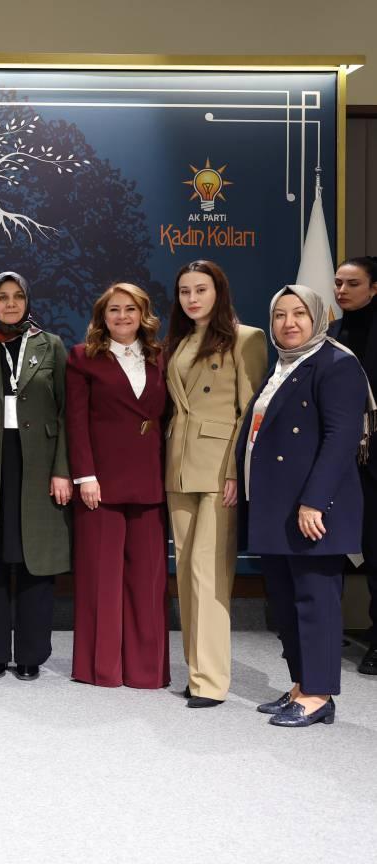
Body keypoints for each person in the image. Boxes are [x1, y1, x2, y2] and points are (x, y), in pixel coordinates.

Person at [237, 285, 373, 727]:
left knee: (315, 602)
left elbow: (341, 439)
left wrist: (314, 502)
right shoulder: (284, 364)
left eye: (299, 313)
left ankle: (319, 693)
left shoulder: (337, 364)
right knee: (285, 602)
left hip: (312, 509)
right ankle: (301, 685)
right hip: (276, 506)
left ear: (319, 318)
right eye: (280, 314)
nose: (288, 322)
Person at [0, 272, 71, 681]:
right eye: (2, 297)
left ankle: (31, 655)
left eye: (17, 296)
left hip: (39, 469)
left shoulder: (51, 345)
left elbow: (66, 413)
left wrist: (62, 470)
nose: (9, 304)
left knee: (36, 562)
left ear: (27, 301)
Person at [163, 260, 267, 707]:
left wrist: (234, 473)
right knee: (187, 572)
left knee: (210, 575)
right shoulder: (179, 340)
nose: (192, 298)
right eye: (184, 291)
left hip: (219, 467)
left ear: (218, 292)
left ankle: (210, 681)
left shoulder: (247, 338)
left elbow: (252, 413)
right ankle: (197, 671)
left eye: (200, 289)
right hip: (178, 465)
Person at [66, 283, 170, 689]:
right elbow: (75, 420)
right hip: (100, 483)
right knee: (100, 580)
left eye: (130, 309)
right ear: (102, 316)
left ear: (143, 314)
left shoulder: (161, 356)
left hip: (150, 480)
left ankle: (146, 670)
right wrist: (85, 476)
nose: (122, 316)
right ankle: (100, 668)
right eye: (114, 310)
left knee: (148, 580)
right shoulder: (83, 357)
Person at [332, 255, 377, 676]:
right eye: (338, 283)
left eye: (352, 284)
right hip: (341, 460)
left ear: (374, 288)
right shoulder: (331, 333)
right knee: (335, 546)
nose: (342, 291)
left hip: (374, 462)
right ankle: (330, 628)